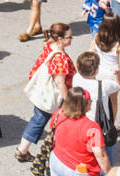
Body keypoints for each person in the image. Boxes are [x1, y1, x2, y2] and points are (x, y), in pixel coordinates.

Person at [14, 23, 75, 163]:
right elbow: (60, 82)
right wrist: (68, 101)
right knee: (45, 122)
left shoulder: (49, 45)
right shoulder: (61, 59)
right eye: (69, 37)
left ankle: (22, 150)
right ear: (60, 39)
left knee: (37, 119)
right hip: (53, 96)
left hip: (43, 91)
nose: (71, 39)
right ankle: (22, 151)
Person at [46, 87, 110, 176]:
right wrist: (110, 174)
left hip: (57, 162)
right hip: (80, 172)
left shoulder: (58, 114)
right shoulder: (92, 128)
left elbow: (53, 135)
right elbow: (100, 155)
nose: (91, 102)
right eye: (90, 101)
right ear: (84, 105)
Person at [72, 51, 115, 160]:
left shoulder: (76, 78)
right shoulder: (103, 85)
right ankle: (106, 170)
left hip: (82, 120)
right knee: (105, 148)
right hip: (98, 123)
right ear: (96, 70)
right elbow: (117, 85)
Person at [90, 16, 120, 126]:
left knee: (97, 98)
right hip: (112, 76)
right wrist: (118, 69)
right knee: (113, 101)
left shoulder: (96, 38)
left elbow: (92, 53)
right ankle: (111, 125)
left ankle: (95, 121)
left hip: (98, 73)